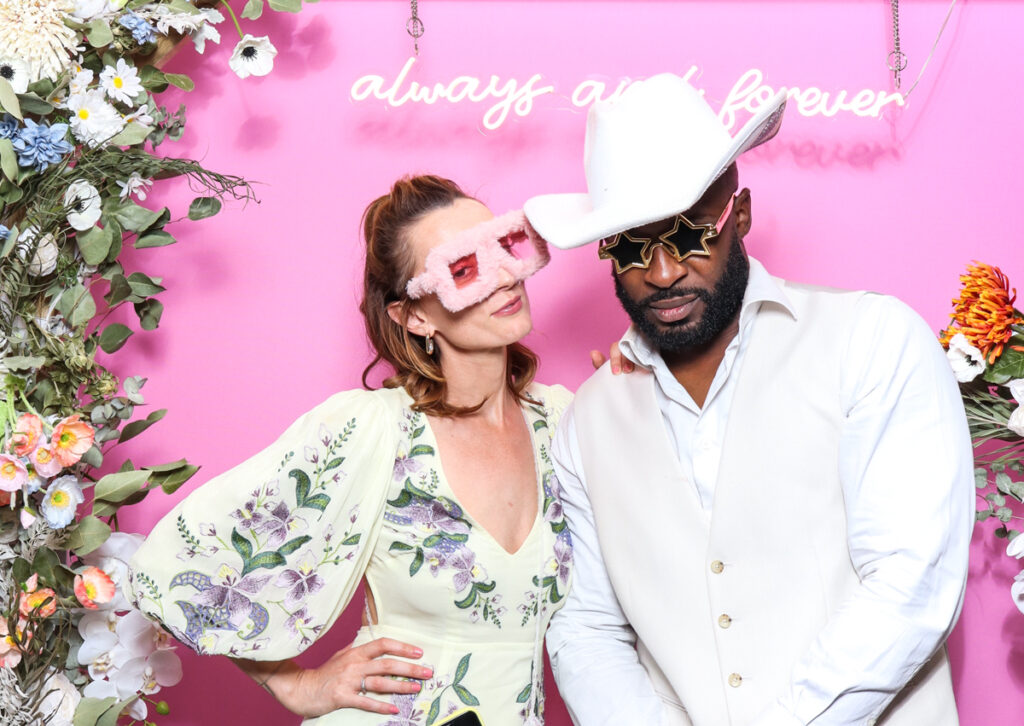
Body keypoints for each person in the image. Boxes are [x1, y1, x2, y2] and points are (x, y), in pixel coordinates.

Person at [523, 74, 974, 726]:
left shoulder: (871, 341)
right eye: (629, 246)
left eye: (686, 235)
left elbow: (911, 585)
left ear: (740, 212)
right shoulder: (587, 424)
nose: (663, 272)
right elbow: (587, 628)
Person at [127, 175, 577, 725]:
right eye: (463, 268)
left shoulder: (562, 422)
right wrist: (296, 683)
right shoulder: (371, 430)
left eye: (503, 246)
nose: (504, 276)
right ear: (413, 315)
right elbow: (175, 566)